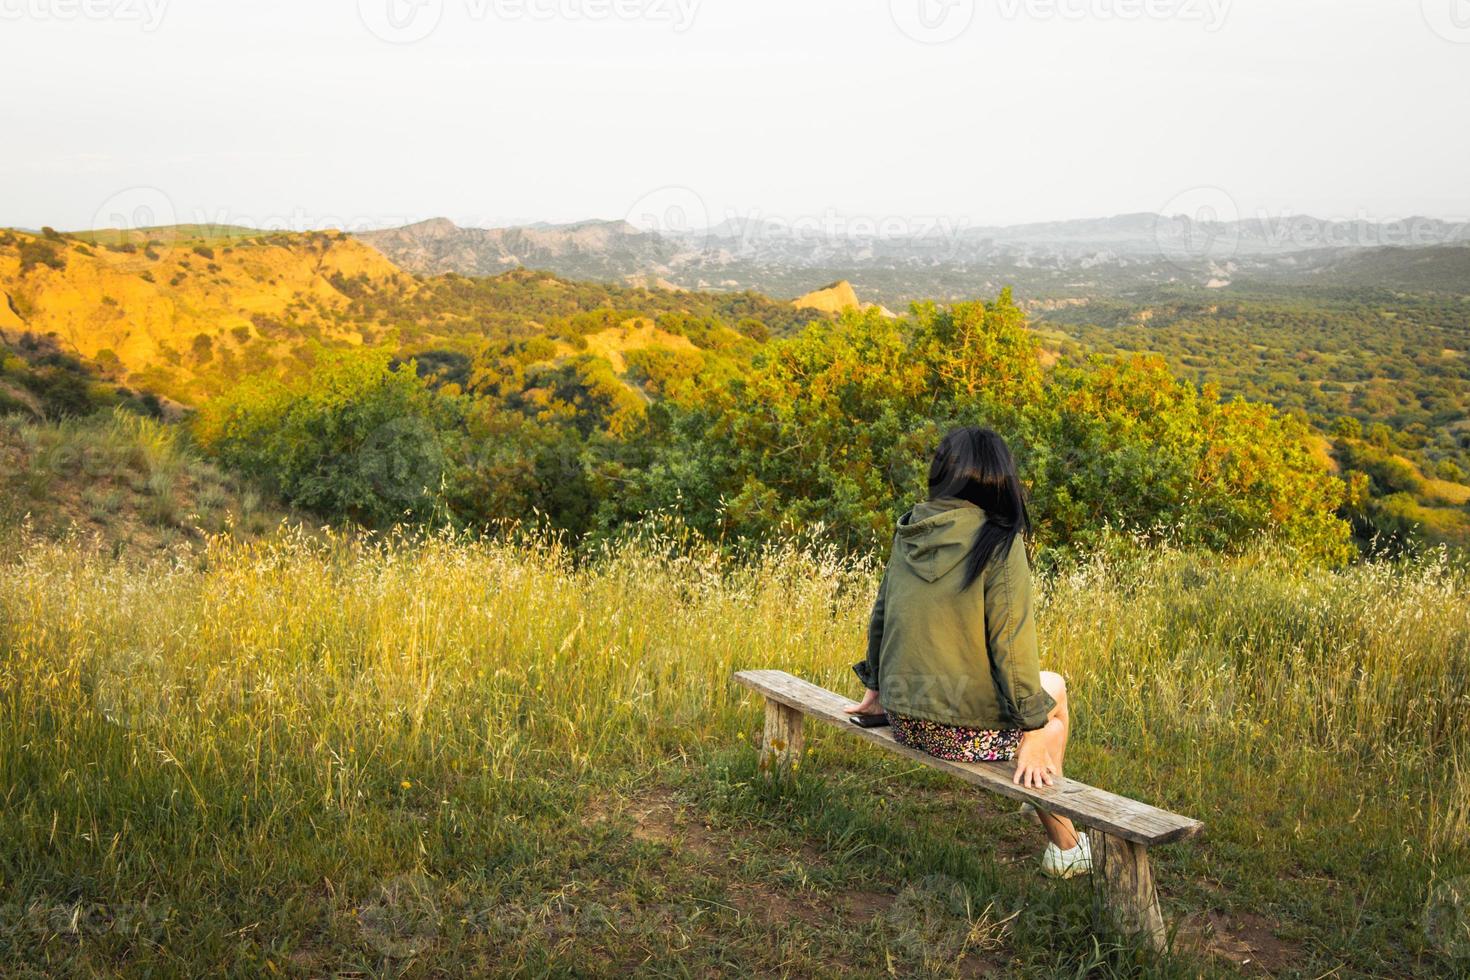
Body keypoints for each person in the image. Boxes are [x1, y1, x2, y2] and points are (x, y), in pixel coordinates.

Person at [843, 426, 1090, 879]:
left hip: (904, 719)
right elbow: (1012, 649)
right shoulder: (997, 539)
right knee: (1053, 704)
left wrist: (876, 688)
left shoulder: (910, 529)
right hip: (958, 733)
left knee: (1044, 699)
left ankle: (1039, 790)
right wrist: (1031, 728)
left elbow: (882, 616)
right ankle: (1066, 847)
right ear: (998, 477)